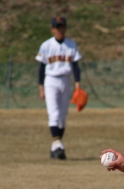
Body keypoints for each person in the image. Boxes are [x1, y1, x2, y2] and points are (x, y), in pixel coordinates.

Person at [36, 16, 82, 160]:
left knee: (63, 116)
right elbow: (41, 67)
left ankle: (56, 147)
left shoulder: (71, 45)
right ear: (52, 29)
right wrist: (41, 87)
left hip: (66, 80)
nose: (60, 30)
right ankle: (57, 144)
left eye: (62, 27)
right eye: (57, 27)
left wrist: (77, 84)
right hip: (51, 80)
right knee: (54, 113)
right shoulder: (46, 45)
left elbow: (76, 66)